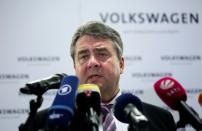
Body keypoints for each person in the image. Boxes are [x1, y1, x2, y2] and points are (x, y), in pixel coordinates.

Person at [27, 21, 176, 131]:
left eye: (102, 54)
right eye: (84, 57)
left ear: (121, 64)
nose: (92, 62)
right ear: (75, 68)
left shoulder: (160, 118)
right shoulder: (45, 122)